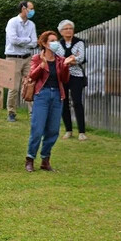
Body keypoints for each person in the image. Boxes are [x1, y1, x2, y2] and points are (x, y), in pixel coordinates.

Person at [26, 31, 74, 172]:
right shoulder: (37, 58)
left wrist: (66, 66)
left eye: (56, 40)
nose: (55, 43)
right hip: (42, 95)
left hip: (57, 95)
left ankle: (45, 160)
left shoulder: (60, 59)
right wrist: (42, 65)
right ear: (45, 44)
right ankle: (30, 159)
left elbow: (65, 80)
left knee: (53, 130)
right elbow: (32, 76)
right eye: (52, 41)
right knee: (37, 129)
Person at [5, 1, 37, 122]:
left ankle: (32, 113)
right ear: (24, 9)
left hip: (27, 57)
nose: (32, 11)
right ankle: (11, 112)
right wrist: (27, 40)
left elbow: (34, 42)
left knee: (30, 83)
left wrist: (23, 40)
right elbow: (13, 40)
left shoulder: (31, 24)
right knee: (14, 87)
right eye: (31, 8)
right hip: (13, 57)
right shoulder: (12, 22)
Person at [57, 20, 88, 141]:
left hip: (77, 75)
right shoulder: (58, 44)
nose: (69, 30)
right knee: (64, 103)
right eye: (66, 29)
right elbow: (58, 59)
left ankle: (81, 131)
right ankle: (68, 130)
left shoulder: (79, 42)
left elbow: (81, 58)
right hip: (63, 76)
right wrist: (72, 59)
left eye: (71, 28)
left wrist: (68, 61)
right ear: (61, 31)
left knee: (77, 102)